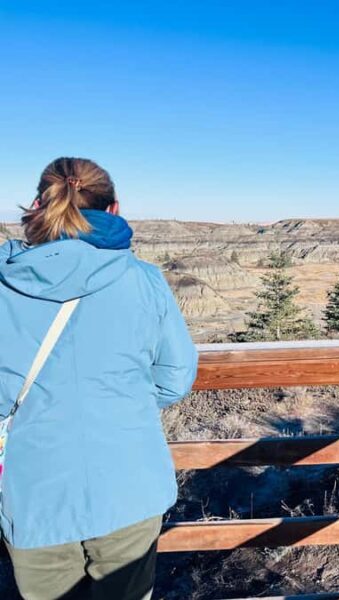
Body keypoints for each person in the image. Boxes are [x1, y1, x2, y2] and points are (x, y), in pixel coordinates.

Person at [0, 157, 199, 599]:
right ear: (114, 210)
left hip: (35, 494)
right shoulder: (144, 280)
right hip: (129, 485)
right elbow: (175, 377)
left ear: (38, 204)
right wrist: (121, 403)